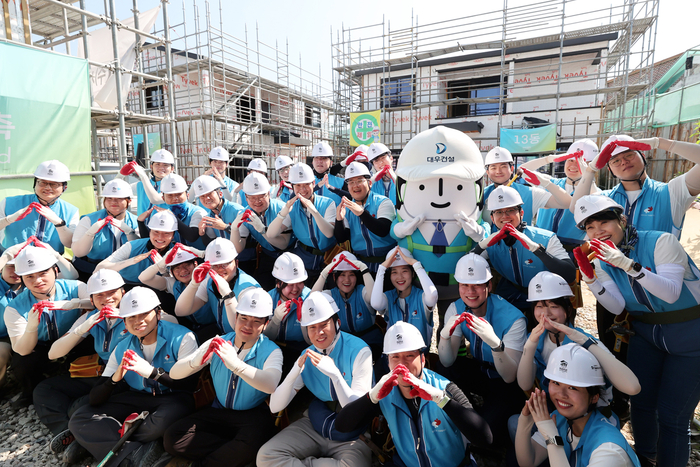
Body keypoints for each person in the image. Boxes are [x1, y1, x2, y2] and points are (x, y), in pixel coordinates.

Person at [573, 194, 700, 467]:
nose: (598, 231)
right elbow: (618, 304)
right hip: (646, 332)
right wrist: (592, 280)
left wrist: (627, 265)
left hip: (691, 334)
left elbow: (670, 293)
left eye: (604, 221)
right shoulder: (601, 258)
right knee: (640, 401)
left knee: (673, 416)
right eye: (589, 227)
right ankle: (645, 456)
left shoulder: (660, 241)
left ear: (622, 219)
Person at [68, 287, 198, 467]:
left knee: (165, 421)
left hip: (173, 398)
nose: (138, 321)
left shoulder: (183, 337)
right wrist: (115, 378)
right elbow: (95, 398)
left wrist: (152, 373)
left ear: (158, 313)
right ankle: (135, 452)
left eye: (144, 314)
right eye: (131, 317)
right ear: (125, 321)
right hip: (139, 396)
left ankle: (99, 442)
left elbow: (190, 384)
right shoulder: (122, 347)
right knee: (80, 417)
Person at [336, 321, 493, 467]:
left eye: (409, 356)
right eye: (395, 357)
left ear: (423, 359)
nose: (402, 364)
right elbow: (343, 426)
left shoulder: (444, 388)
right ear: (388, 362)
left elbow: (485, 438)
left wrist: (441, 400)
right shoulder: (385, 392)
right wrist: (371, 397)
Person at [163, 289, 282, 467]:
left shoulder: (272, 350)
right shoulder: (218, 342)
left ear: (266, 324)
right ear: (235, 318)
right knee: (173, 437)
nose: (248, 326)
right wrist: (195, 361)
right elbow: (174, 373)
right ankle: (228, 456)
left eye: (256, 321)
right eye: (243, 318)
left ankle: (209, 462)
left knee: (252, 443)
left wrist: (236, 365)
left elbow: (271, 385)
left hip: (252, 415)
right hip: (218, 410)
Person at [256, 291, 374, 467]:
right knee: (266, 456)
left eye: (324, 325)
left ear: (337, 323)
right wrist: (294, 372)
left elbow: (354, 413)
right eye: (312, 327)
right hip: (316, 423)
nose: (318, 332)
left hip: (352, 432)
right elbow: (275, 406)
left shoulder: (359, 350)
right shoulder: (307, 356)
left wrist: (335, 375)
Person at [516, 271, 640, 421]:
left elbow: (632, 387)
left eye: (553, 306)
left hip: (591, 419)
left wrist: (587, 343)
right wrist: (529, 346)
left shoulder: (584, 341)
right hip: (557, 415)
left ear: (568, 310)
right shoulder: (536, 340)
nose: (546, 314)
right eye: (539, 306)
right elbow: (525, 384)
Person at [34, 269, 129, 464]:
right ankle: (68, 435)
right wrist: (84, 326)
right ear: (92, 300)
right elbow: (54, 353)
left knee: (78, 407)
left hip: (129, 380)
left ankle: (81, 435)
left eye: (112, 292)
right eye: (99, 295)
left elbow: (170, 321)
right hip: (104, 375)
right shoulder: (92, 316)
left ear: (123, 293)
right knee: (44, 390)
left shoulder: (137, 313)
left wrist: (125, 317)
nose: (107, 298)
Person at [438, 253, 527, 446]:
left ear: (489, 286)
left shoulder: (514, 319)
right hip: (479, 369)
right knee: (443, 370)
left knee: (486, 436)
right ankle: (466, 408)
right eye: (464, 285)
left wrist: (495, 344)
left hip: (503, 380)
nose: (470, 291)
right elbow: (447, 360)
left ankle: (484, 416)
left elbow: (510, 376)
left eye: (477, 285)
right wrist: (445, 335)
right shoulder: (456, 308)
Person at [515, 344, 641, 467]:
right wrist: (525, 422)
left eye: (572, 388)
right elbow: (528, 462)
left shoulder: (609, 451)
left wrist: (552, 438)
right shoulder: (559, 419)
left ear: (594, 397)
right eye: (556, 383)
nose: (561, 394)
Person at [4, 244, 89, 406]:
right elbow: (22, 349)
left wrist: (72, 305)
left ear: (55, 271)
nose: (37, 281)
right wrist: (31, 327)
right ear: (21, 279)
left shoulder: (77, 287)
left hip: (74, 338)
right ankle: (32, 392)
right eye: (29, 276)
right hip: (40, 345)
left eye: (43, 273)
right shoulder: (15, 307)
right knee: (22, 362)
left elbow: (98, 306)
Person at [572, 135, 700, 238]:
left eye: (629, 154)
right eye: (615, 160)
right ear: (610, 169)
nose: (624, 161)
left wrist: (659, 142)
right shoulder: (604, 200)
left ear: (643, 156)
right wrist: (590, 171)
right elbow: (576, 207)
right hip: (613, 270)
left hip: (664, 269)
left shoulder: (672, 193)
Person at [475, 185, 575, 311]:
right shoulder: (491, 242)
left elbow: (570, 274)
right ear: (492, 218)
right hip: (510, 291)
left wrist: (537, 249)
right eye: (499, 212)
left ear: (521, 213)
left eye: (510, 210)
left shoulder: (545, 238)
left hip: (546, 294)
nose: (504, 216)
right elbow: (469, 262)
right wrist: (482, 245)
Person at [520, 139, 599, 247]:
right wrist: (548, 159)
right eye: (570, 160)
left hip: (571, 247)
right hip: (540, 241)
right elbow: (522, 171)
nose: (573, 165)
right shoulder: (550, 182)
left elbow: (598, 200)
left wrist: (588, 176)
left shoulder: (594, 191)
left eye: (580, 162)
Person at [267, 162, 336, 284]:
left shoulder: (328, 203)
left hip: (329, 257)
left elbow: (329, 233)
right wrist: (283, 212)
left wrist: (314, 211)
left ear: (314, 184)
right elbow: (271, 234)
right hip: (304, 258)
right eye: (297, 185)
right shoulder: (292, 208)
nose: (302, 190)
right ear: (292, 187)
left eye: (306, 185)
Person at [175, 238, 260, 335]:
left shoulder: (248, 289)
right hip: (222, 333)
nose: (220, 269)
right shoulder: (209, 280)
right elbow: (181, 311)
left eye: (225, 264)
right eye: (214, 265)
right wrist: (194, 284)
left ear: (236, 263)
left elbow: (241, 328)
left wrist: (228, 295)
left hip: (244, 339)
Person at [138, 243, 217, 342]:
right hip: (190, 325)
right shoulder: (174, 284)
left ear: (195, 264)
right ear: (171, 271)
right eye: (177, 267)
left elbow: (217, 259)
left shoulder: (207, 278)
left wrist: (201, 253)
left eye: (187, 265)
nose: (183, 270)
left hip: (214, 325)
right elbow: (143, 278)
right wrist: (161, 263)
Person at [0, 160, 78, 255]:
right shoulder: (8, 202)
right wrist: (9, 220)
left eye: (54, 184)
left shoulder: (71, 211)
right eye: (42, 182)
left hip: (50, 262)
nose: (48, 187)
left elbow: (70, 244)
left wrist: (59, 224)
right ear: (35, 184)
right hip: (11, 259)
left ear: (64, 188)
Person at [230, 172, 293, 288]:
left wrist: (262, 230)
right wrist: (234, 229)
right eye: (252, 198)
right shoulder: (244, 213)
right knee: (263, 286)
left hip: (289, 254)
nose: (257, 201)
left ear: (268, 194)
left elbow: (283, 244)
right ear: (246, 197)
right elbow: (238, 248)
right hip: (267, 255)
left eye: (261, 197)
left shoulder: (282, 208)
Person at [482, 147, 573, 227]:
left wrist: (546, 183)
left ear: (512, 169)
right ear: (487, 172)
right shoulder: (480, 196)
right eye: (493, 168)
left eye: (503, 166)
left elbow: (567, 203)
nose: (498, 171)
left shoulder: (530, 193)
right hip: (489, 246)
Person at [312, 252, 381, 357]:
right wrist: (324, 273)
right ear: (335, 278)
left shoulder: (362, 292)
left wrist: (364, 269)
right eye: (342, 275)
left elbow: (374, 299)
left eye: (351, 275)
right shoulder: (330, 295)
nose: (347, 280)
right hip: (343, 345)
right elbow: (312, 301)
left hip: (370, 343)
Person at [334, 162, 397, 273]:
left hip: (388, 263)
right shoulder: (347, 208)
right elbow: (342, 238)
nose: (355, 185)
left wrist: (362, 213)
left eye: (359, 181)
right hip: (361, 265)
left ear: (370, 183)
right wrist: (339, 220)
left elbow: (383, 230)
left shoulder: (383, 202)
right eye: (351, 182)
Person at [71, 179, 139, 281]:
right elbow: (78, 253)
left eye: (119, 198)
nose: (113, 202)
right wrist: (90, 233)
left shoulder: (136, 222)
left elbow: (139, 252)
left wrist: (130, 233)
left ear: (129, 201)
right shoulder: (88, 220)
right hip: (92, 270)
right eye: (109, 198)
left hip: (125, 271)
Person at [370, 247, 437, 346]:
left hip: (418, 357)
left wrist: (416, 264)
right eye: (394, 272)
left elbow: (432, 296)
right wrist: (381, 269)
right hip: (395, 355)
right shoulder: (388, 297)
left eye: (404, 271)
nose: (400, 277)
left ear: (413, 273)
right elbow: (375, 303)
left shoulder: (421, 297)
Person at [95, 209, 178, 286]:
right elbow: (100, 267)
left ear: (173, 235)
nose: (160, 237)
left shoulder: (177, 252)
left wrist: (164, 271)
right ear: (150, 232)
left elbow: (174, 284)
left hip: (158, 289)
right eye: (156, 232)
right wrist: (132, 260)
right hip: (126, 285)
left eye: (166, 233)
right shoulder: (132, 245)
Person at [263, 252, 311, 372]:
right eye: (290, 284)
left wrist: (304, 321)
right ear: (278, 283)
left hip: (301, 351)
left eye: (300, 283)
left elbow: (312, 341)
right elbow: (263, 338)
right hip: (272, 349)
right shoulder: (267, 299)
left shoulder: (309, 298)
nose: (295, 289)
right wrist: (275, 320)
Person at [138, 173, 207, 249]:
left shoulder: (197, 212)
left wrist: (172, 217)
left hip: (201, 257)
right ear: (163, 198)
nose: (175, 198)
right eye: (170, 195)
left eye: (179, 194)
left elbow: (192, 237)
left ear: (187, 195)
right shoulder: (163, 214)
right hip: (176, 257)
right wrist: (140, 222)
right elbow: (153, 242)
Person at [191, 174, 246, 244]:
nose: (207, 198)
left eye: (209, 194)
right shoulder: (208, 218)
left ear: (220, 194)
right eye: (202, 196)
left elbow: (247, 238)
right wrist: (202, 233)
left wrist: (225, 227)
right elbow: (211, 244)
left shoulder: (237, 211)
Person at [120, 148, 175, 215]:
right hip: (142, 225)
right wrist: (121, 175)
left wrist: (143, 176)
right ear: (151, 167)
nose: (161, 168)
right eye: (157, 164)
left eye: (165, 165)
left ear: (172, 168)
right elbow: (117, 189)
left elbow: (155, 199)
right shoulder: (141, 185)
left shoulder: (174, 186)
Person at [0, 245, 24, 391]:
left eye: (20, 266)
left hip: (27, 334)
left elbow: (72, 275)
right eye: (10, 266)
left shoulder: (34, 284)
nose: (16, 271)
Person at [310, 141, 346, 206]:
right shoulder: (306, 181)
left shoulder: (342, 181)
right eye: (316, 158)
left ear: (331, 163)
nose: (320, 161)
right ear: (312, 162)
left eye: (324, 158)